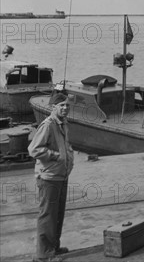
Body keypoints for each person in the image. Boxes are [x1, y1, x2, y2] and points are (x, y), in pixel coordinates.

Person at [28, 93, 75, 262]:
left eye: (66, 105)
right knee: (48, 215)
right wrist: (56, 156)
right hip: (49, 177)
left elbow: (65, 146)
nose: (64, 108)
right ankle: (44, 255)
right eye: (61, 105)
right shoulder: (48, 125)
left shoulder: (64, 123)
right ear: (53, 107)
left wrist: (68, 159)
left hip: (60, 175)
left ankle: (53, 247)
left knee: (58, 214)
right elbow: (34, 149)